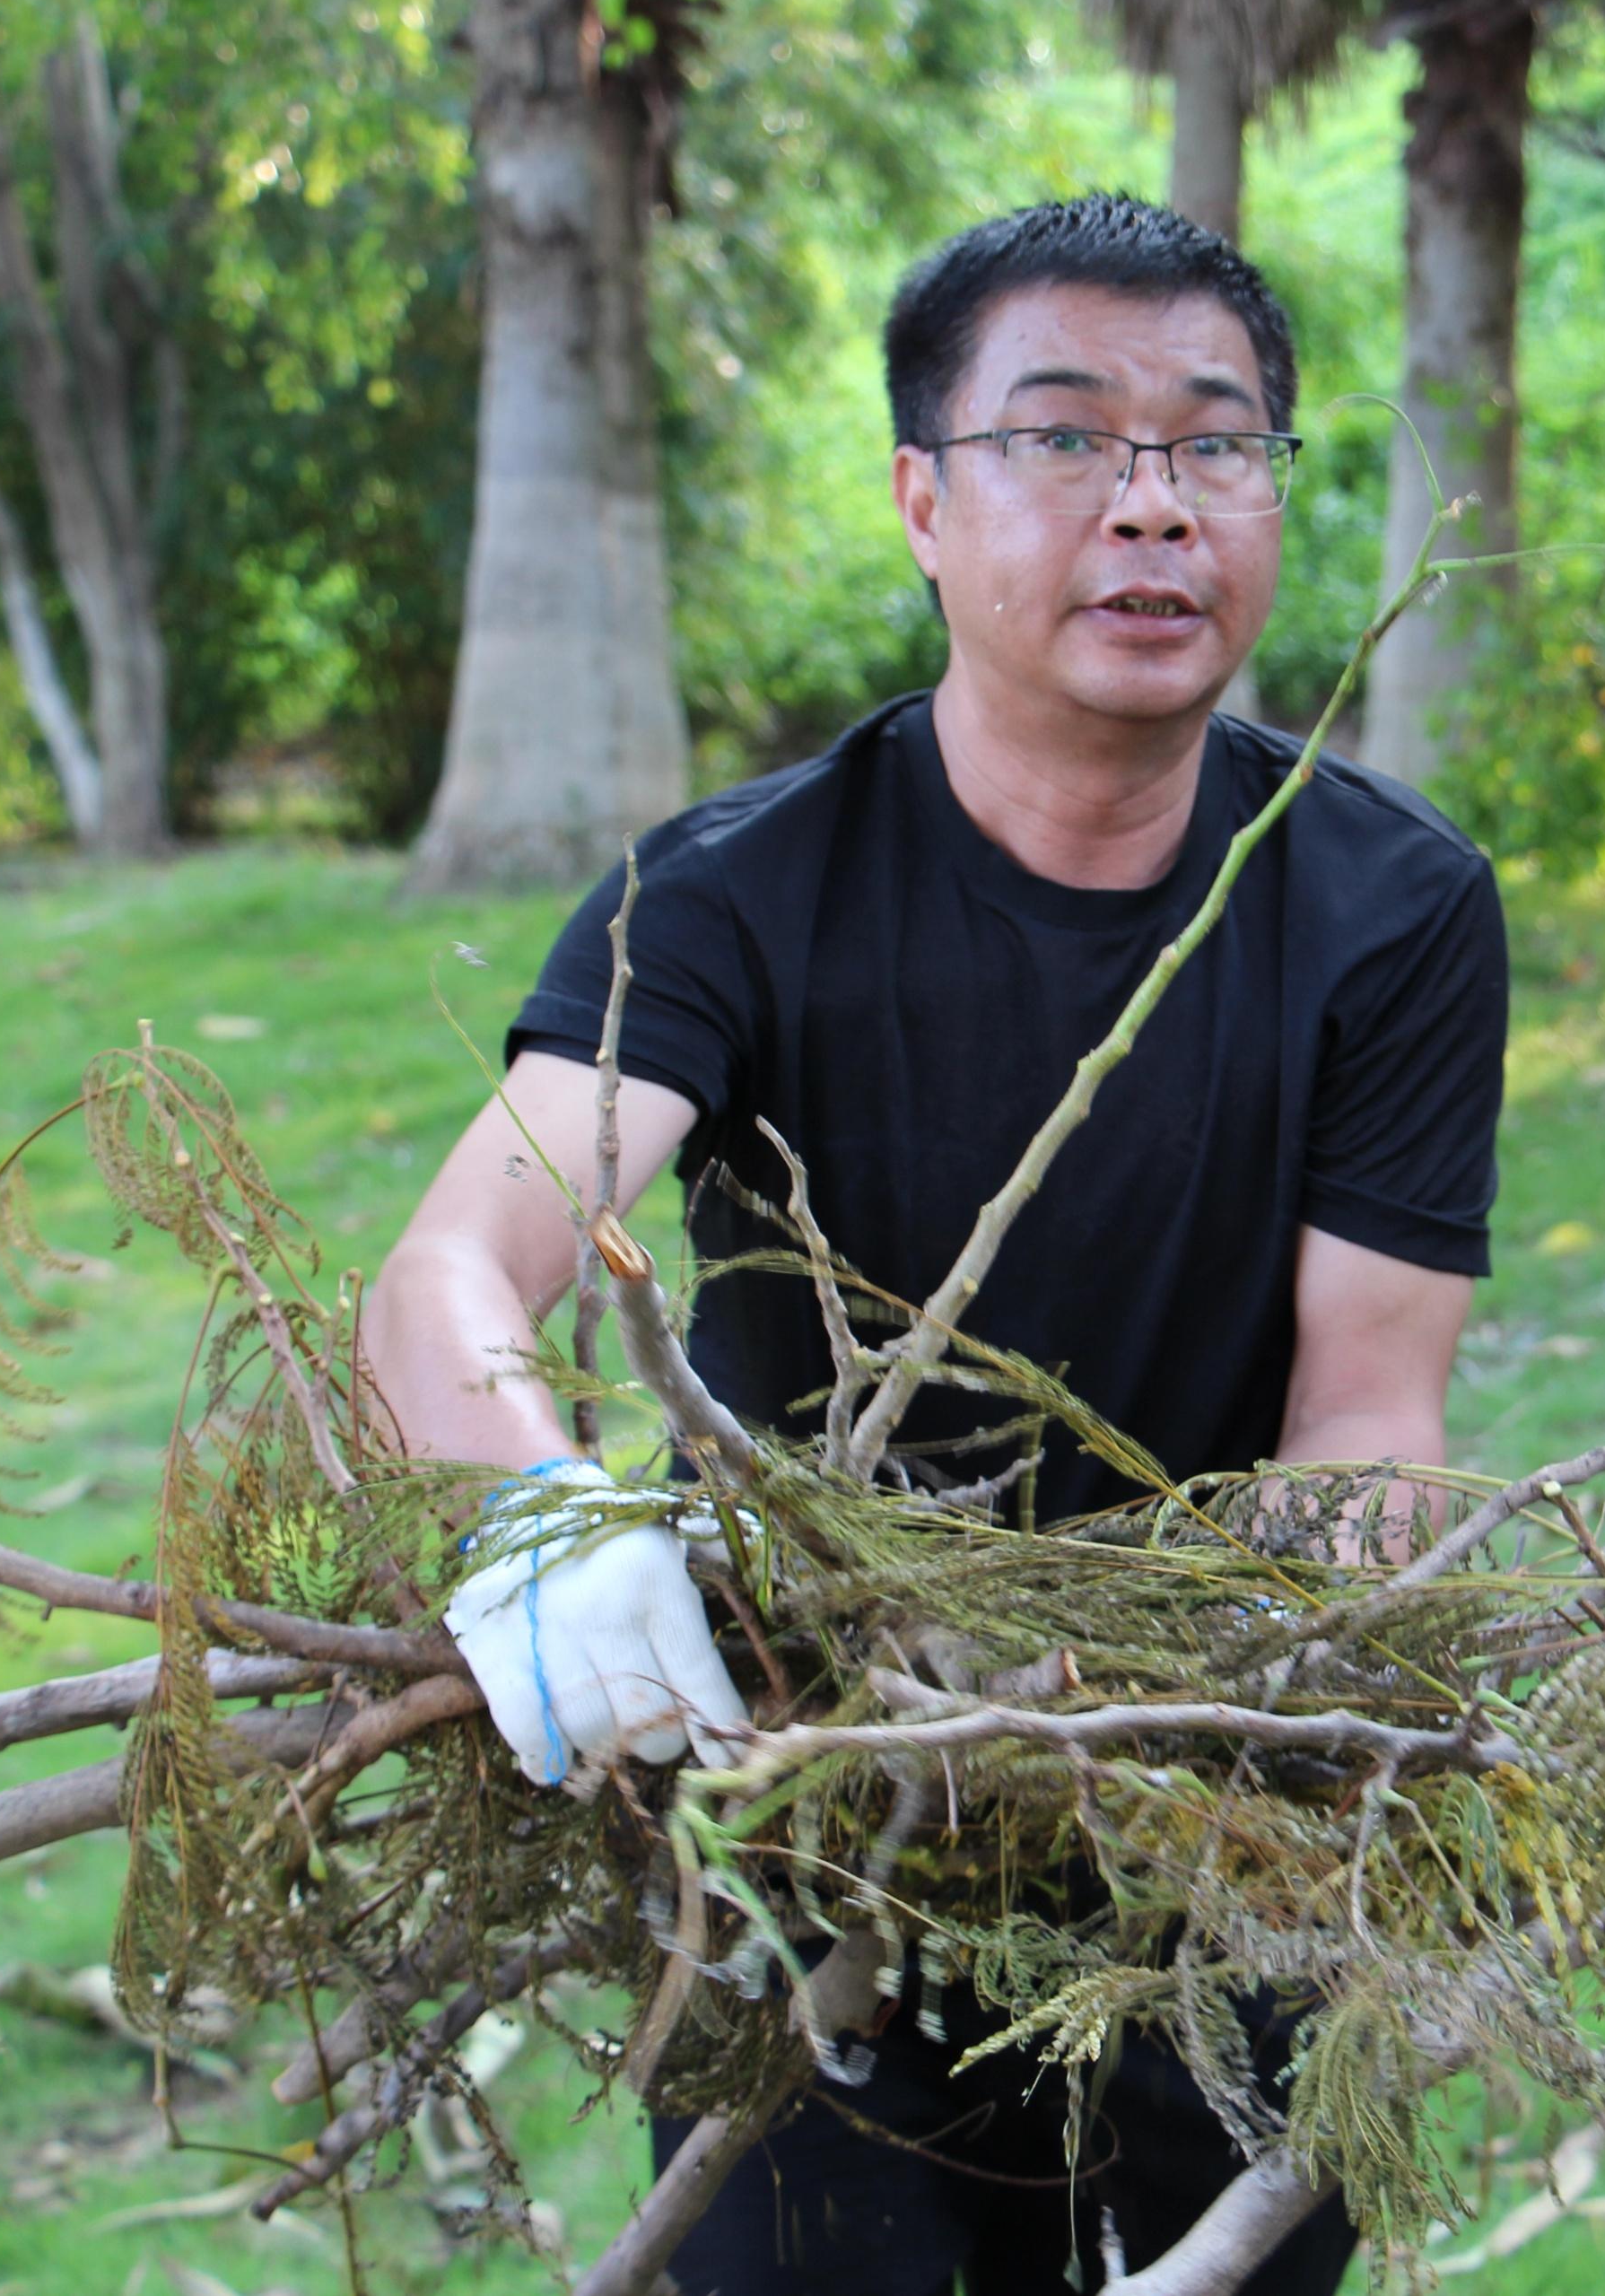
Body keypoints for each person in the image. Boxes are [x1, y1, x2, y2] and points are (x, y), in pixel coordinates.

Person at [360, 192, 1509, 2296]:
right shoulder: (731, 899)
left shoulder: (1390, 909)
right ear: (921, 498)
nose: (1152, 505)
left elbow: (1371, 1414)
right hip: (799, 1796)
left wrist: (1216, 1686)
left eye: (1215, 441)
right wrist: (543, 1516)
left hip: (1214, 1811)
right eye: (1065, 437)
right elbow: (448, 1275)